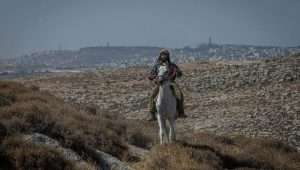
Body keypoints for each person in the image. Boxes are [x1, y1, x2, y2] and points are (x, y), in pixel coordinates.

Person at [148, 49, 187, 121]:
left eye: (165, 55)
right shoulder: (156, 66)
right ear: (160, 56)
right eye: (162, 55)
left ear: (168, 56)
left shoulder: (172, 65)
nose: (164, 56)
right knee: (152, 96)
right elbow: (152, 74)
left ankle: (181, 112)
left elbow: (180, 73)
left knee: (180, 94)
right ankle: (152, 114)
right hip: (160, 83)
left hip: (171, 82)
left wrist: (178, 73)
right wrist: (152, 77)